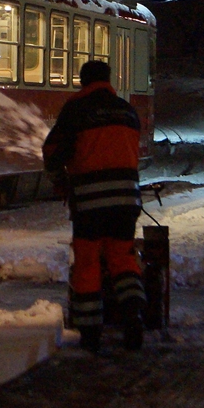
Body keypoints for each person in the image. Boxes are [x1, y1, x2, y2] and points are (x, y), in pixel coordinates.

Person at [43, 60, 147, 353]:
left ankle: (90, 332)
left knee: (87, 262)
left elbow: (52, 151)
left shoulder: (76, 110)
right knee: (123, 258)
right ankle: (134, 316)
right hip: (127, 200)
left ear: (83, 82)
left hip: (90, 201)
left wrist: (60, 180)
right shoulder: (127, 111)